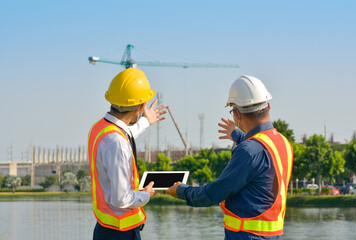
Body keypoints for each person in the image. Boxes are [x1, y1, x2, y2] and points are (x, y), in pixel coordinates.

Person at [167, 75, 293, 240]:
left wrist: (182, 191)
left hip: (247, 236)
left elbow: (213, 193)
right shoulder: (282, 142)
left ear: (236, 113)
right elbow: (261, 155)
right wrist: (238, 135)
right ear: (268, 106)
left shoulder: (248, 151)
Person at [88, 68, 167, 240]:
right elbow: (121, 199)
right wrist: (146, 194)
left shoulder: (100, 129)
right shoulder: (117, 143)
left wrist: (145, 121)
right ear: (141, 106)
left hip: (105, 228)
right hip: (119, 232)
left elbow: (125, 133)